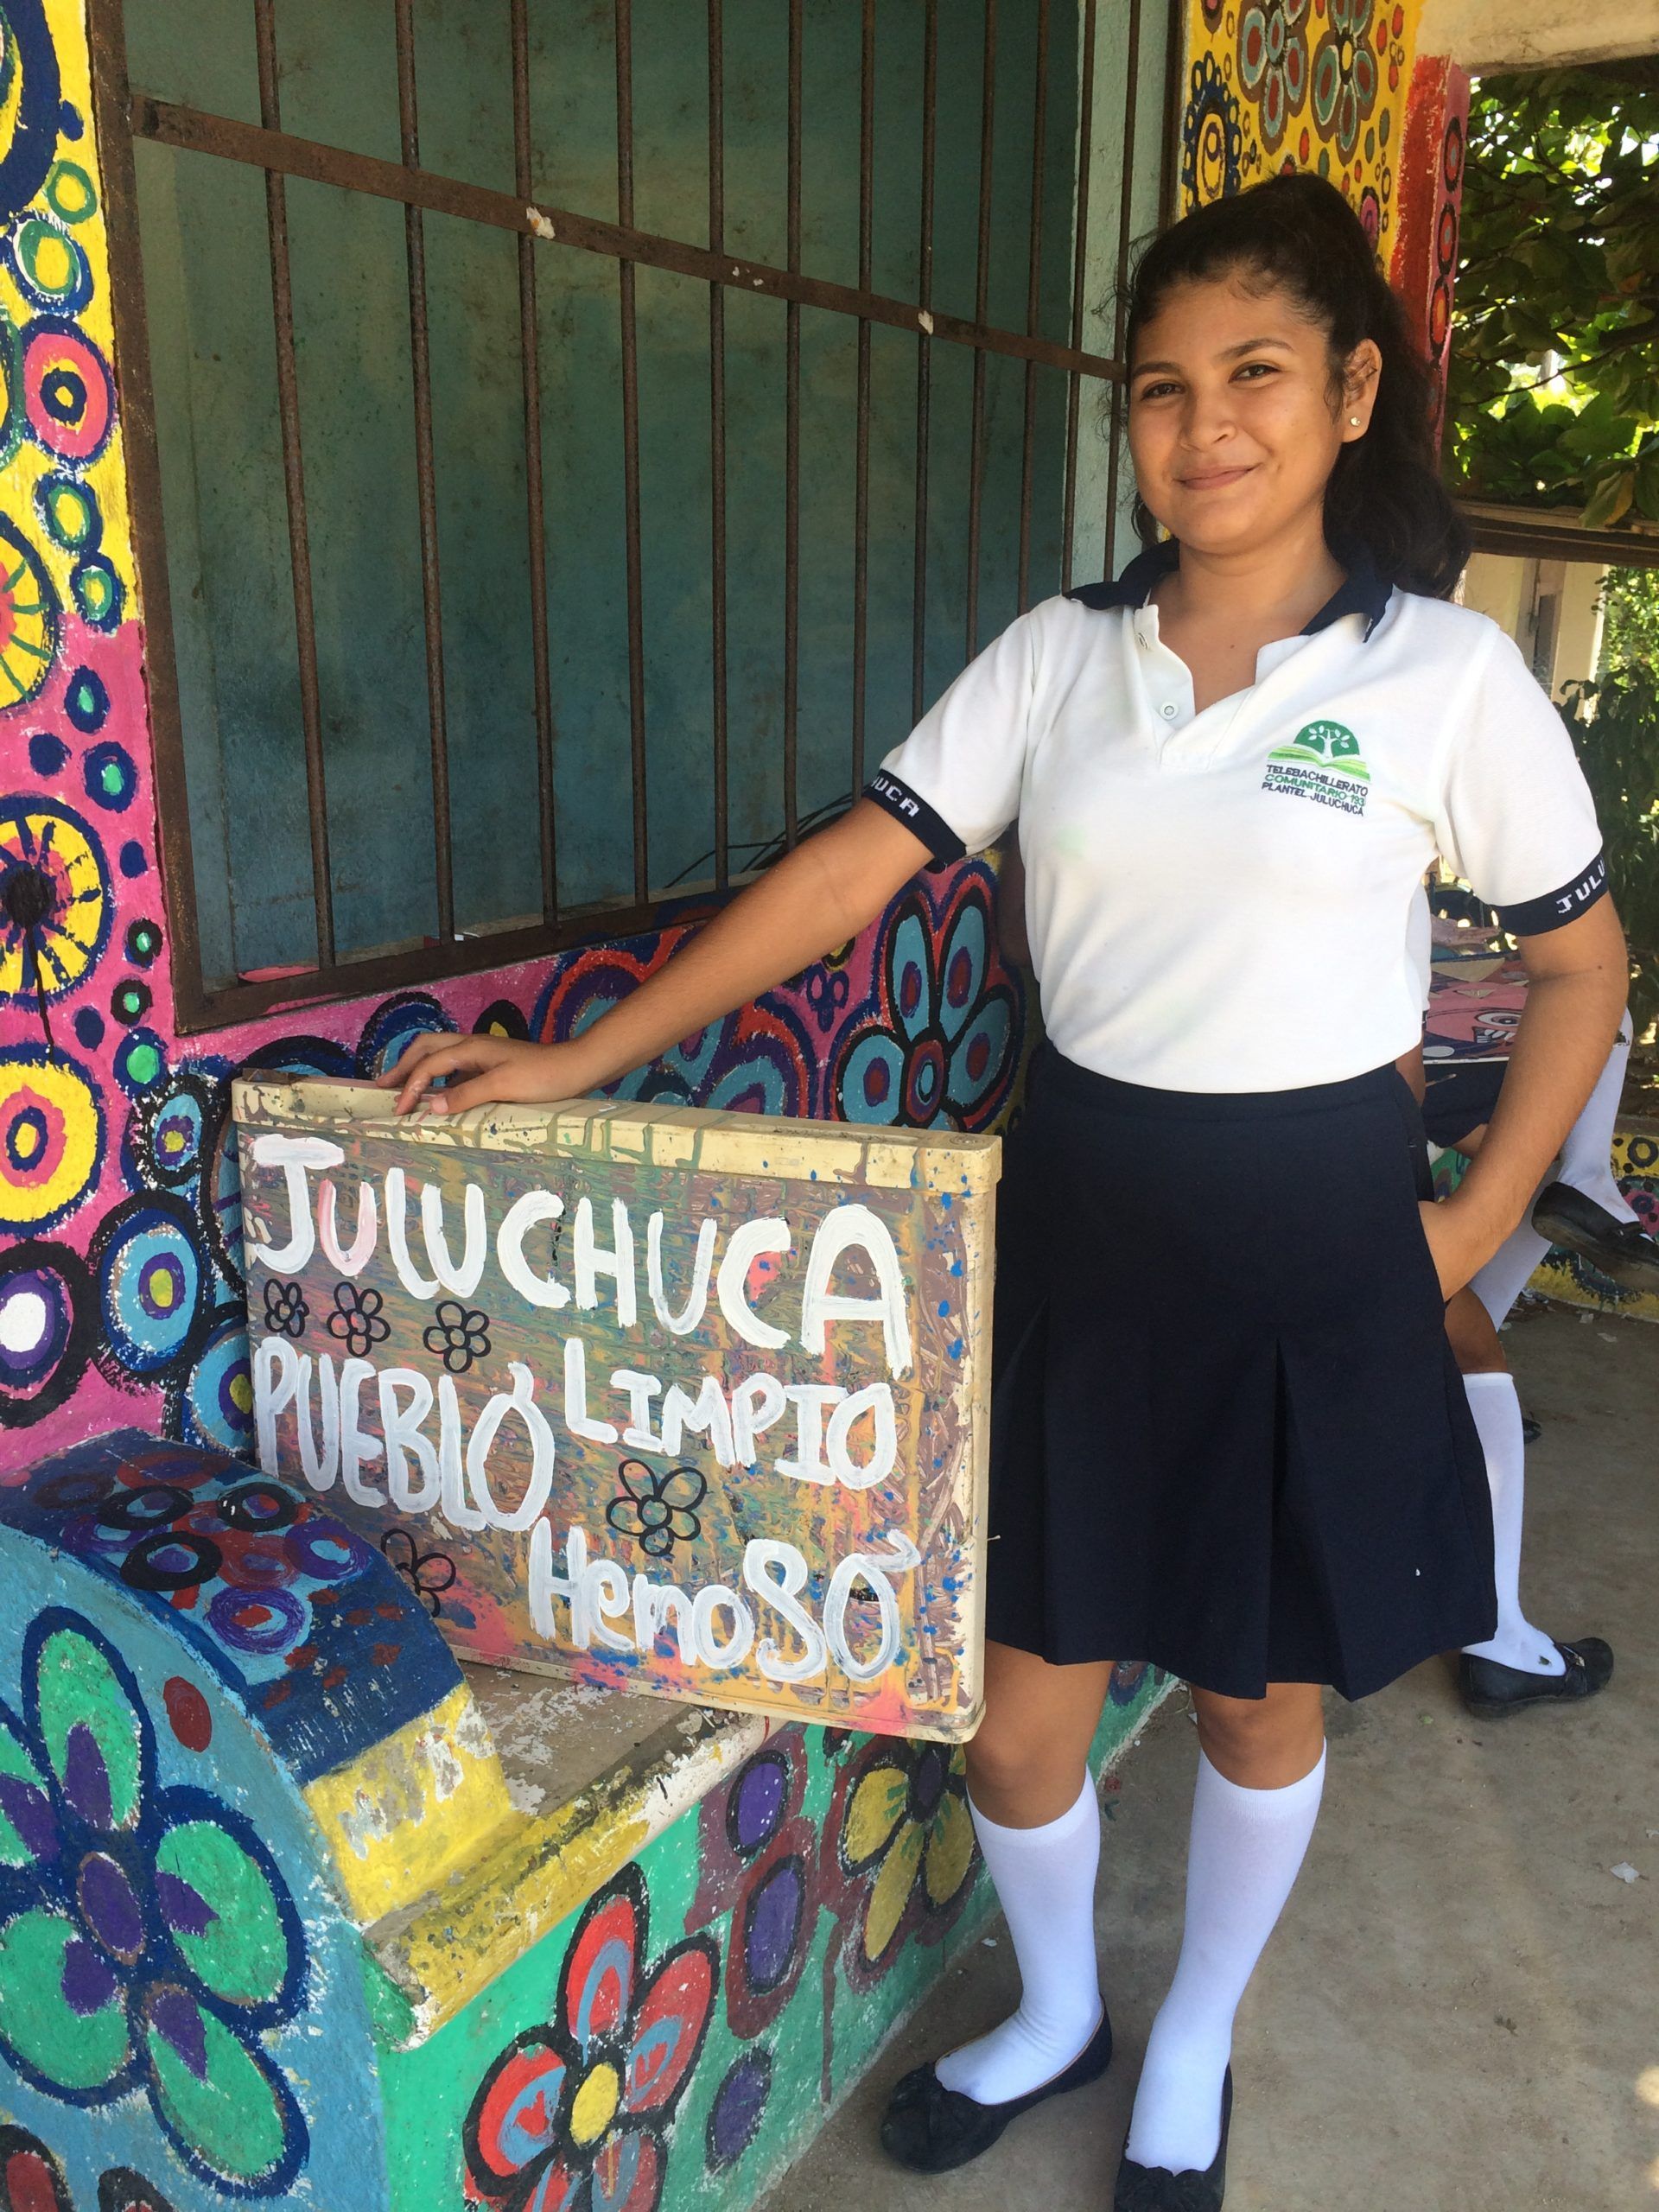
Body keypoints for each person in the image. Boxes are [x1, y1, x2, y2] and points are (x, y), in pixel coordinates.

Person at [376, 175, 1629, 2209]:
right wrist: (590, 1048)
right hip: (1076, 1221)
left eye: (1252, 374)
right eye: (1160, 386)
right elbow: (846, 870)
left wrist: (1472, 1228)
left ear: (1347, 392)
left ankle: (1193, 2031)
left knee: (1249, 1683)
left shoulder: (1442, 680)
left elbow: (1582, 969)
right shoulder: (1063, 658)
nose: (1201, 423)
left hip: (1313, 1235)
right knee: (1014, 1723)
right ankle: (1054, 2006)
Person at [1402, 892, 1645, 1716]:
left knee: (1529, 1168)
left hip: (1179, 1123)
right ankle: (1498, 1640)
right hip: (1333, 1112)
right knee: (1588, 999)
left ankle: (1579, 1183)